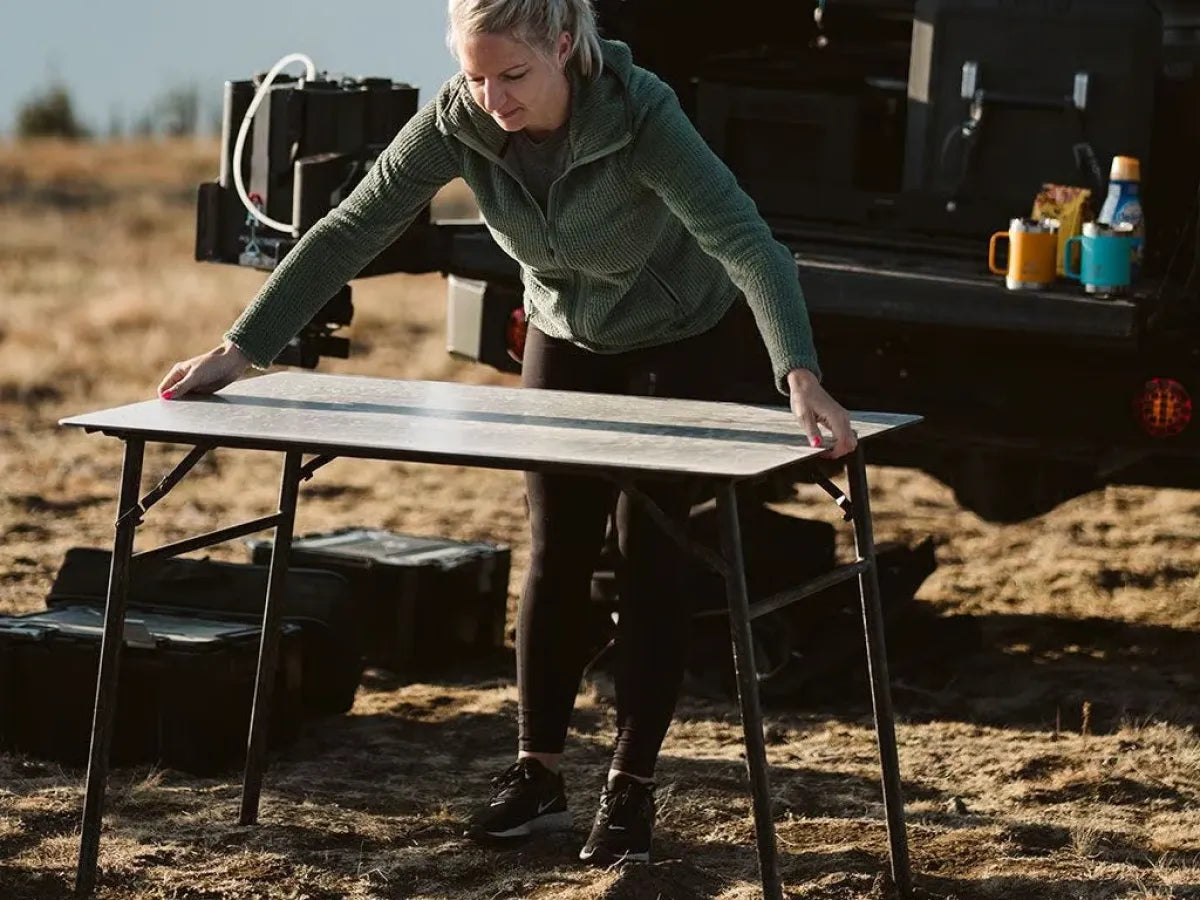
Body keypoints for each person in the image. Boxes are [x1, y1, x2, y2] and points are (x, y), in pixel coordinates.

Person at [157, 0, 857, 867]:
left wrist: (797, 373)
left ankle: (631, 786)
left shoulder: (644, 115)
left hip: (680, 337)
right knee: (556, 544)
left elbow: (750, 245)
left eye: (513, 75)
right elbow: (351, 228)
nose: (492, 97)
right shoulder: (461, 116)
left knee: (652, 553)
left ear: (564, 46)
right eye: (476, 75)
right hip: (564, 333)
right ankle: (538, 775)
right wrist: (239, 350)